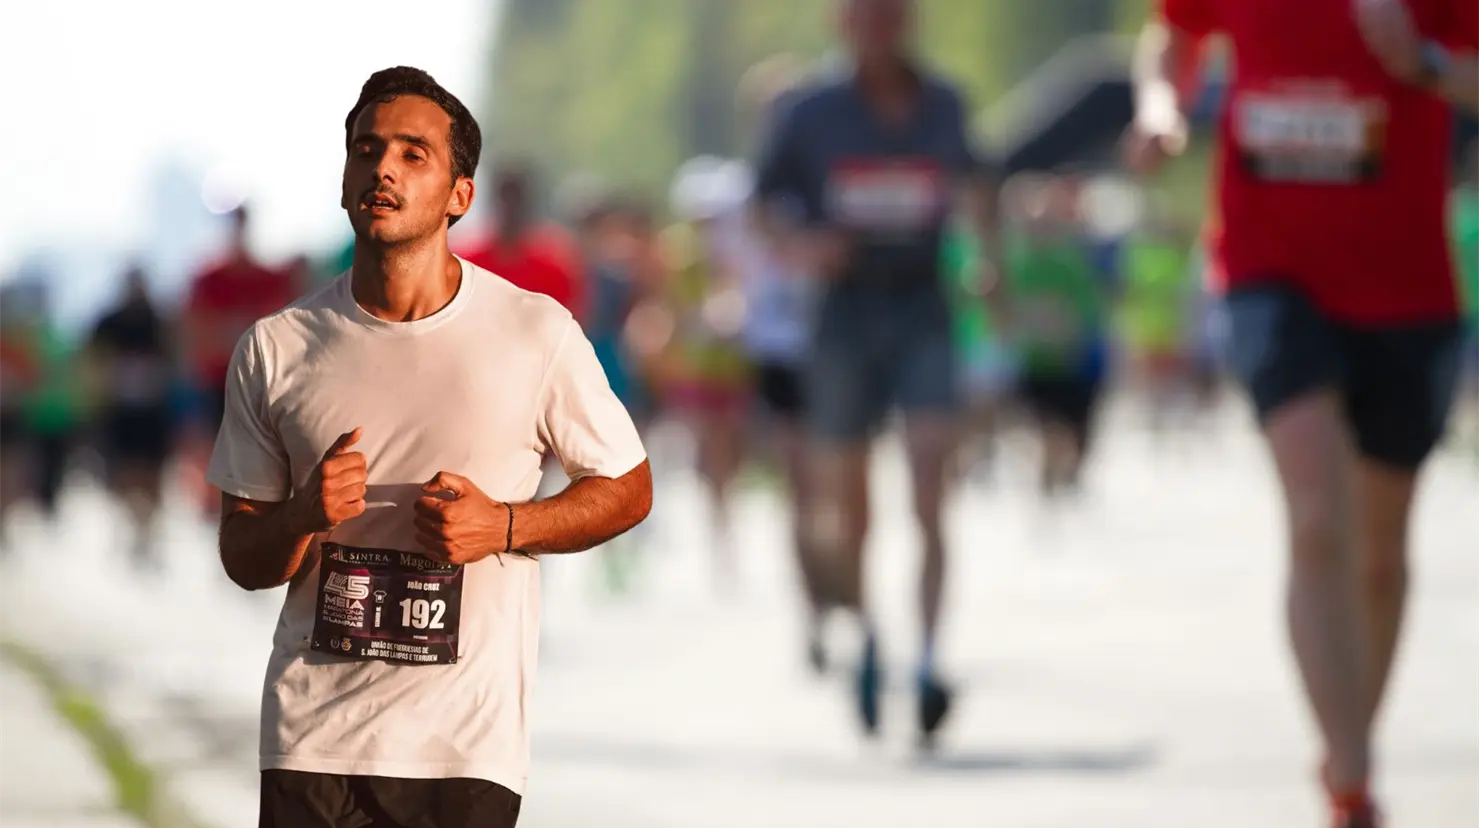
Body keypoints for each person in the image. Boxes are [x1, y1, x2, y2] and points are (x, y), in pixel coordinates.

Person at [209, 67, 651, 828]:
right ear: (345, 177)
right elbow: (244, 559)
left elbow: (628, 487)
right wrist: (302, 517)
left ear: (460, 195)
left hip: (464, 746)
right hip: (313, 740)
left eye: (414, 153)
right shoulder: (275, 348)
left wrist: (506, 527)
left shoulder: (533, 331)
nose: (383, 167)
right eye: (366, 149)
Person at [1126, 1, 1479, 825]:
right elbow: (1173, 34)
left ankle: (1349, 747)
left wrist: (1424, 61)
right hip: (1267, 274)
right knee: (1318, 519)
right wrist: (1160, 105)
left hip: (1406, 290)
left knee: (1379, 560)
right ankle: (1351, 780)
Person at [753, 0, 1001, 744]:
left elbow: (981, 187)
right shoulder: (808, 112)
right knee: (850, 508)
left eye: (892, 11)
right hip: (844, 314)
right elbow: (762, 207)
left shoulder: (945, 103)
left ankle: (927, 663)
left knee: (931, 488)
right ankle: (866, 637)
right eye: (864, 12)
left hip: (923, 306)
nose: (879, 24)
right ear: (841, 22)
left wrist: (985, 253)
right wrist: (805, 247)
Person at [185, 205, 296, 517]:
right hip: (218, 381)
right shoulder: (209, 278)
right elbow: (196, 333)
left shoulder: (270, 277)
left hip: (260, 383)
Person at [87, 264, 176, 572]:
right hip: (119, 411)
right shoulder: (108, 322)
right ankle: (132, 527)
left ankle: (148, 532)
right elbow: (92, 361)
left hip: (153, 412)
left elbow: (176, 358)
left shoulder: (159, 321)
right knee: (123, 473)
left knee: (152, 474)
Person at [462, 161, 585, 320]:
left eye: (517, 199)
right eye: (505, 198)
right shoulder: (465, 268)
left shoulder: (554, 271)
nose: (510, 208)